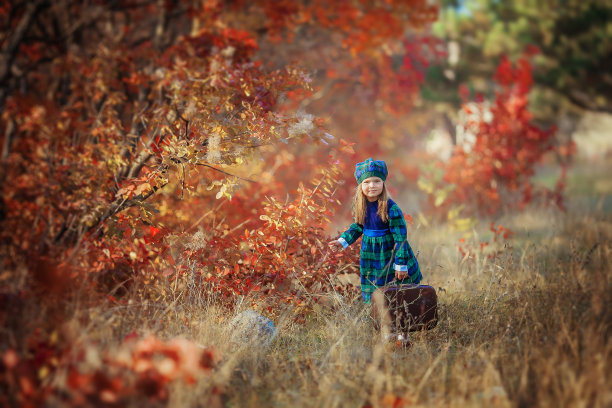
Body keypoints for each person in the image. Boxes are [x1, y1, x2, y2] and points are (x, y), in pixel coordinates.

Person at [328, 158, 422, 304]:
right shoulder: (360, 206)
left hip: (389, 253)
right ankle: (377, 318)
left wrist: (401, 264)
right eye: (366, 182)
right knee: (375, 291)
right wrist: (342, 241)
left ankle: (400, 319)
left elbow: (400, 239)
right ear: (360, 185)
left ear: (383, 183)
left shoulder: (391, 208)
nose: (372, 185)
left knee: (396, 291)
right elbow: (357, 227)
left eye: (377, 181)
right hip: (370, 254)